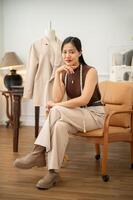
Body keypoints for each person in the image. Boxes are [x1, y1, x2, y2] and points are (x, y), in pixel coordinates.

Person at [14, 36, 105, 189]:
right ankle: (53, 172)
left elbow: (83, 100)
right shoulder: (64, 73)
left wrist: (56, 105)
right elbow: (56, 97)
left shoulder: (91, 71)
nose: (67, 56)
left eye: (72, 52)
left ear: (80, 53)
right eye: (64, 52)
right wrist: (57, 74)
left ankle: (37, 153)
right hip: (76, 115)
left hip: (94, 115)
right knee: (59, 127)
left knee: (56, 109)